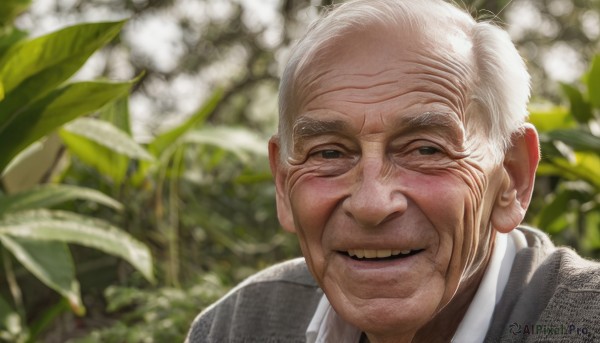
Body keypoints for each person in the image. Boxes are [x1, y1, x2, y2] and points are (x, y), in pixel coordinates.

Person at [186, 0, 600, 342]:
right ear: (282, 184)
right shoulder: (237, 327)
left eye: (425, 149)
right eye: (329, 154)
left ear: (511, 177)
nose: (371, 204)